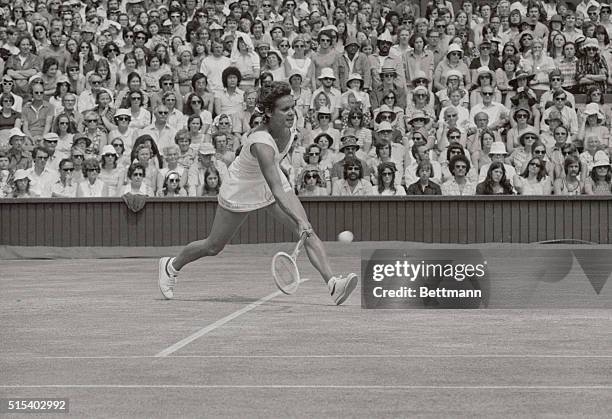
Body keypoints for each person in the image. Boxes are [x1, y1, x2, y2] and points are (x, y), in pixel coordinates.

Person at [158, 81, 358, 305]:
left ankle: (333, 284)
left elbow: (274, 177)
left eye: (292, 107)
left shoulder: (289, 126)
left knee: (306, 229)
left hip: (270, 176)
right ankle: (171, 265)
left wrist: (301, 221)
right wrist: (297, 218)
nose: (291, 113)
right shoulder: (261, 143)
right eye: (284, 110)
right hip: (242, 187)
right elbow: (276, 190)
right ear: (269, 112)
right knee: (213, 246)